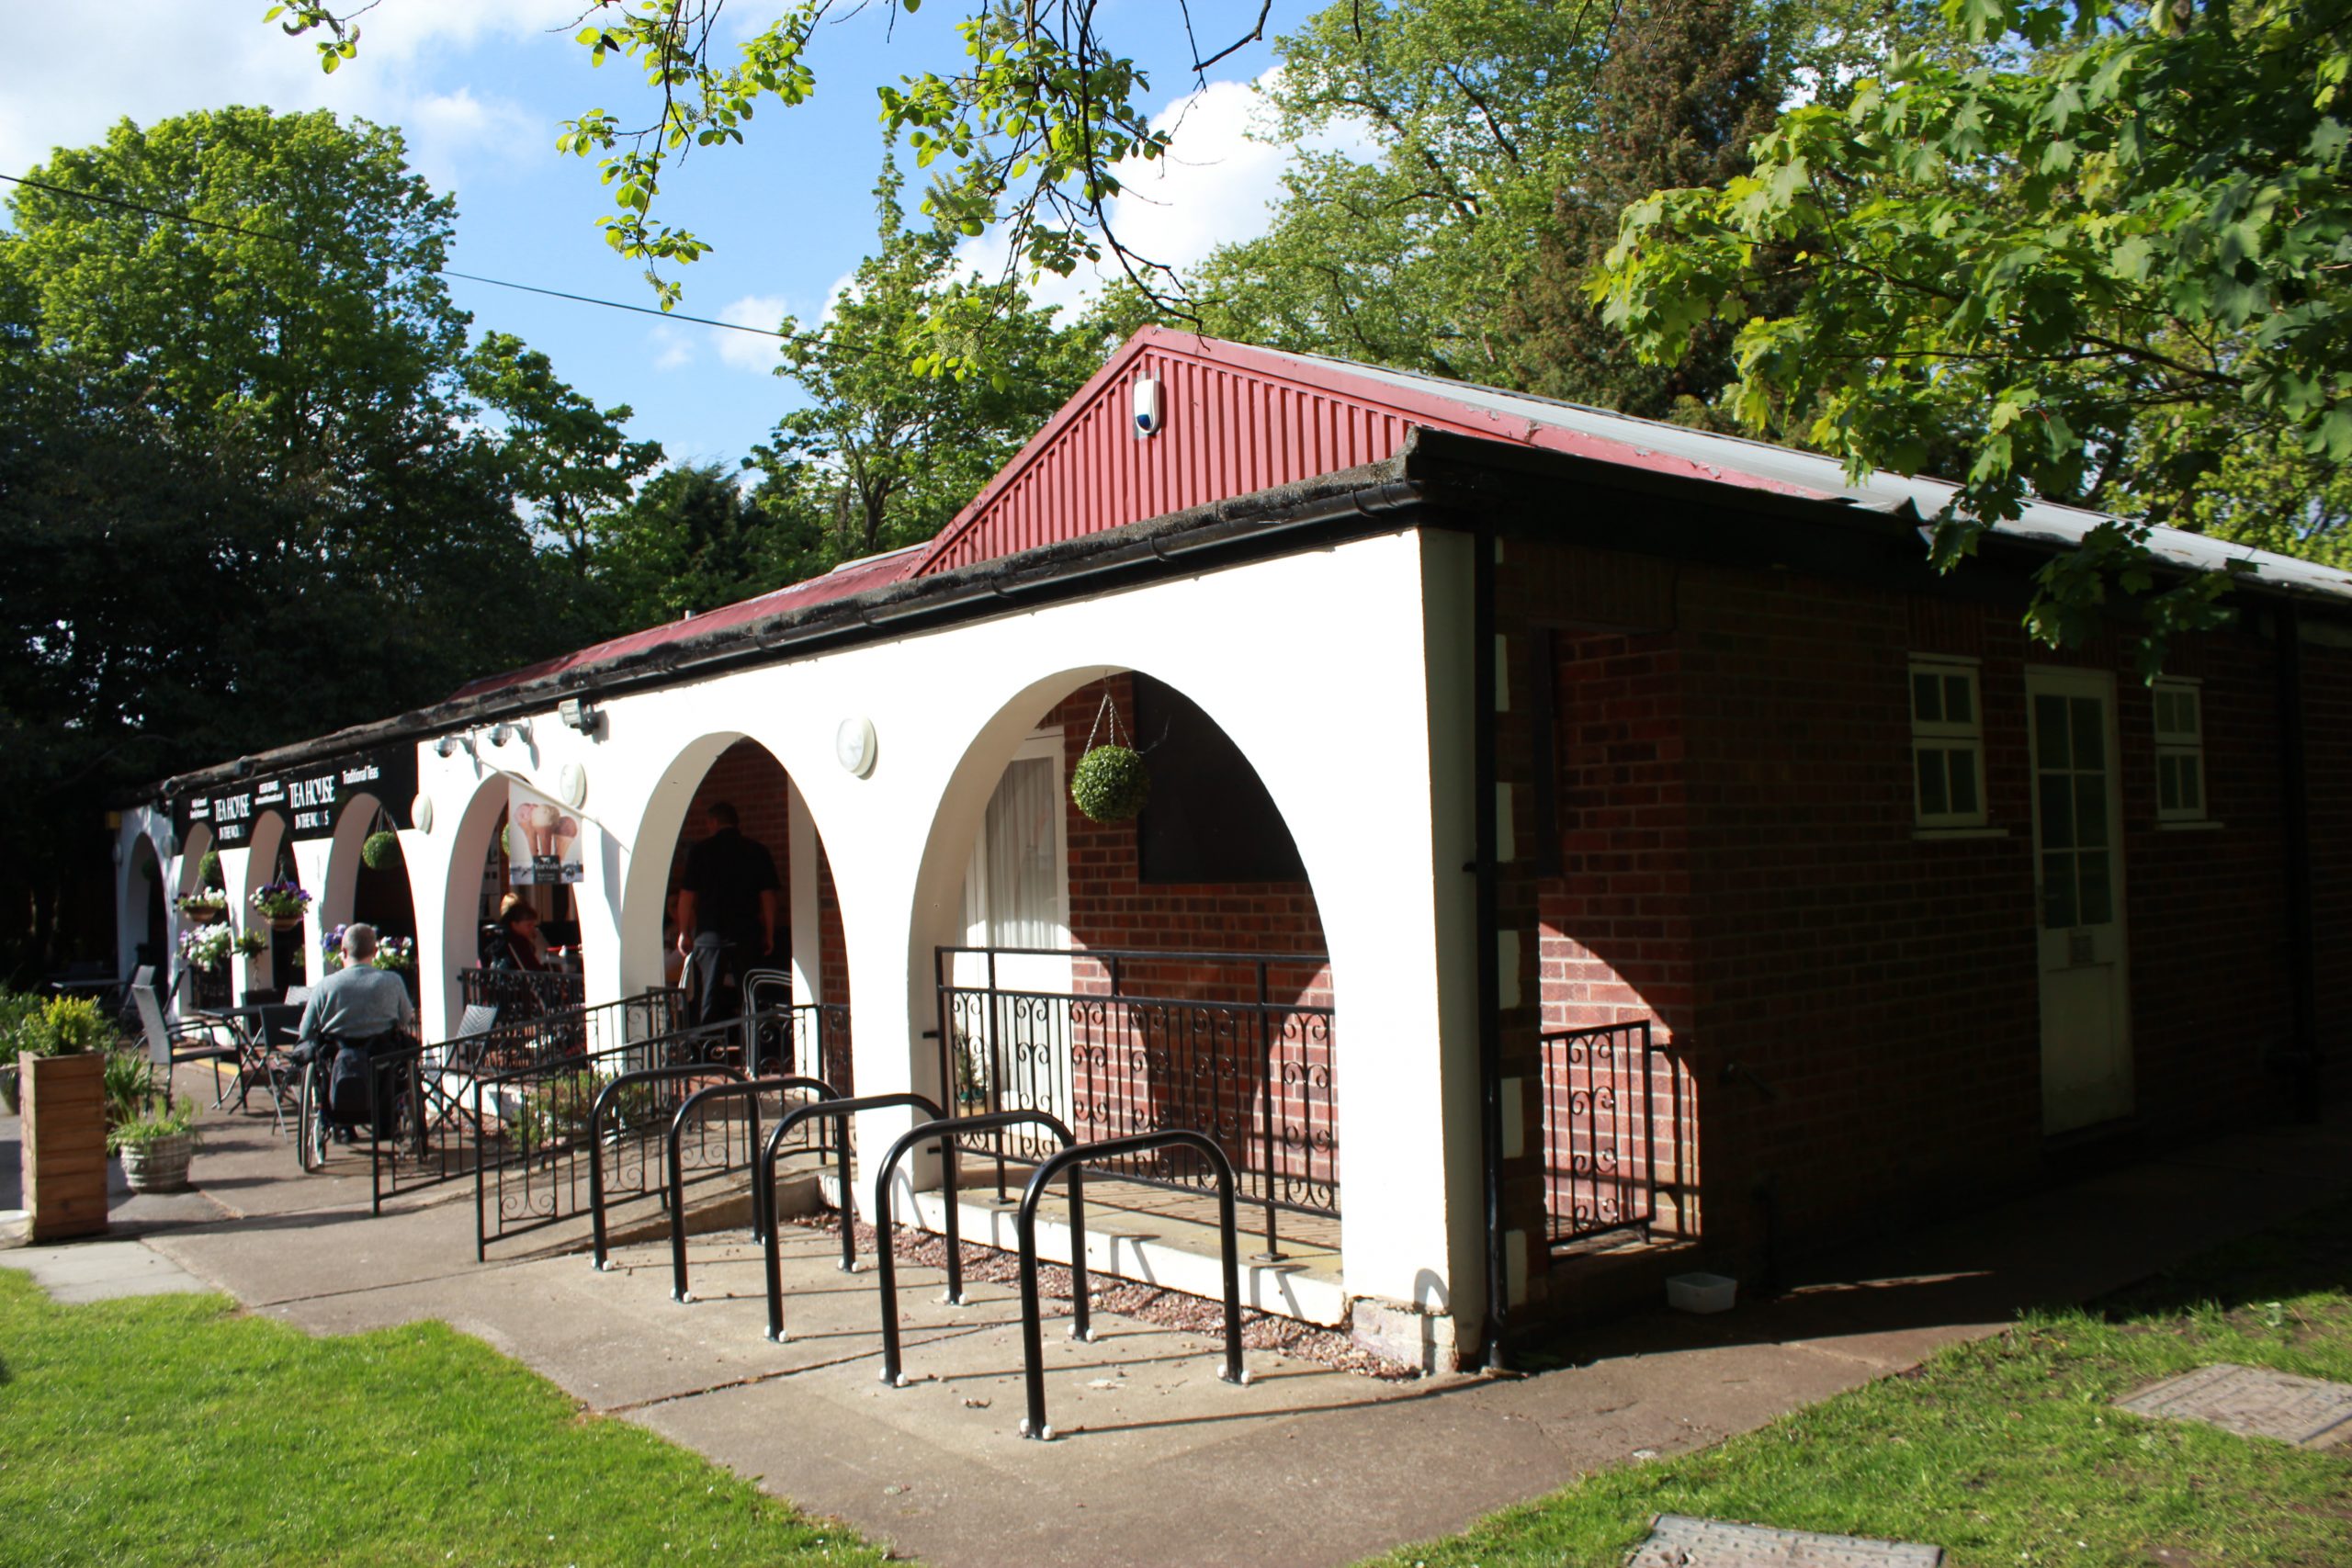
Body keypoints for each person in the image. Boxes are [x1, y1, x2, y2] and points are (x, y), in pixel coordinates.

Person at [296, 923, 416, 1141]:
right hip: (382, 1057)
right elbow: (406, 1018)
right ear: (375, 951)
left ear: (343, 951)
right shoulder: (392, 981)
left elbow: (305, 1030)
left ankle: (341, 1124)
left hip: (339, 1059)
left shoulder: (326, 986)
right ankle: (386, 1122)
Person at [674, 801, 779, 1027]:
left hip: (710, 934)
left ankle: (704, 1043)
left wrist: (683, 932)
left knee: (707, 996)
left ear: (714, 822)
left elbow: (687, 895)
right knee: (750, 994)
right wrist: (770, 933)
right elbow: (768, 896)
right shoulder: (756, 851)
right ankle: (753, 1042)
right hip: (746, 932)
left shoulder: (700, 851)